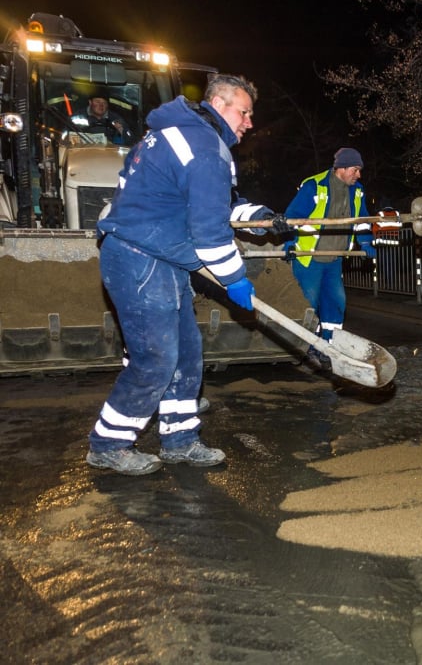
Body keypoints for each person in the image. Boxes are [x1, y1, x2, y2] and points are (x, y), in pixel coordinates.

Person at [85, 74, 288, 476]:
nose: (249, 122)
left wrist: (260, 217)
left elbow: (214, 206)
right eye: (244, 112)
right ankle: (107, 444)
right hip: (140, 257)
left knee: (187, 354)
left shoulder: (182, 136)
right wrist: (235, 279)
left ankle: (179, 440)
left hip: (160, 257)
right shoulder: (205, 147)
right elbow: (210, 233)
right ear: (219, 102)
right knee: (156, 359)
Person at [284, 147, 377, 369]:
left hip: (334, 260)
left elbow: (362, 219)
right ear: (341, 168)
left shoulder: (357, 191)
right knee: (309, 306)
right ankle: (308, 348)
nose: (358, 175)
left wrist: (365, 241)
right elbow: (292, 216)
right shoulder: (314, 186)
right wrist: (289, 240)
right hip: (309, 259)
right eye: (355, 170)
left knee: (335, 304)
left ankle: (328, 348)